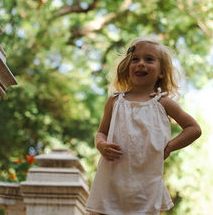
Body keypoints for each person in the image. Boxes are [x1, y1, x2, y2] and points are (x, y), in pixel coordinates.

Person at [85, 37, 202, 215]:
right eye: (135, 59)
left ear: (161, 72)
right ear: (127, 67)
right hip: (112, 180)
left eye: (149, 59)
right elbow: (101, 132)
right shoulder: (115, 101)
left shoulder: (162, 103)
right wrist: (101, 144)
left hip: (146, 185)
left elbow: (193, 129)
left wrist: (168, 147)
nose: (141, 64)